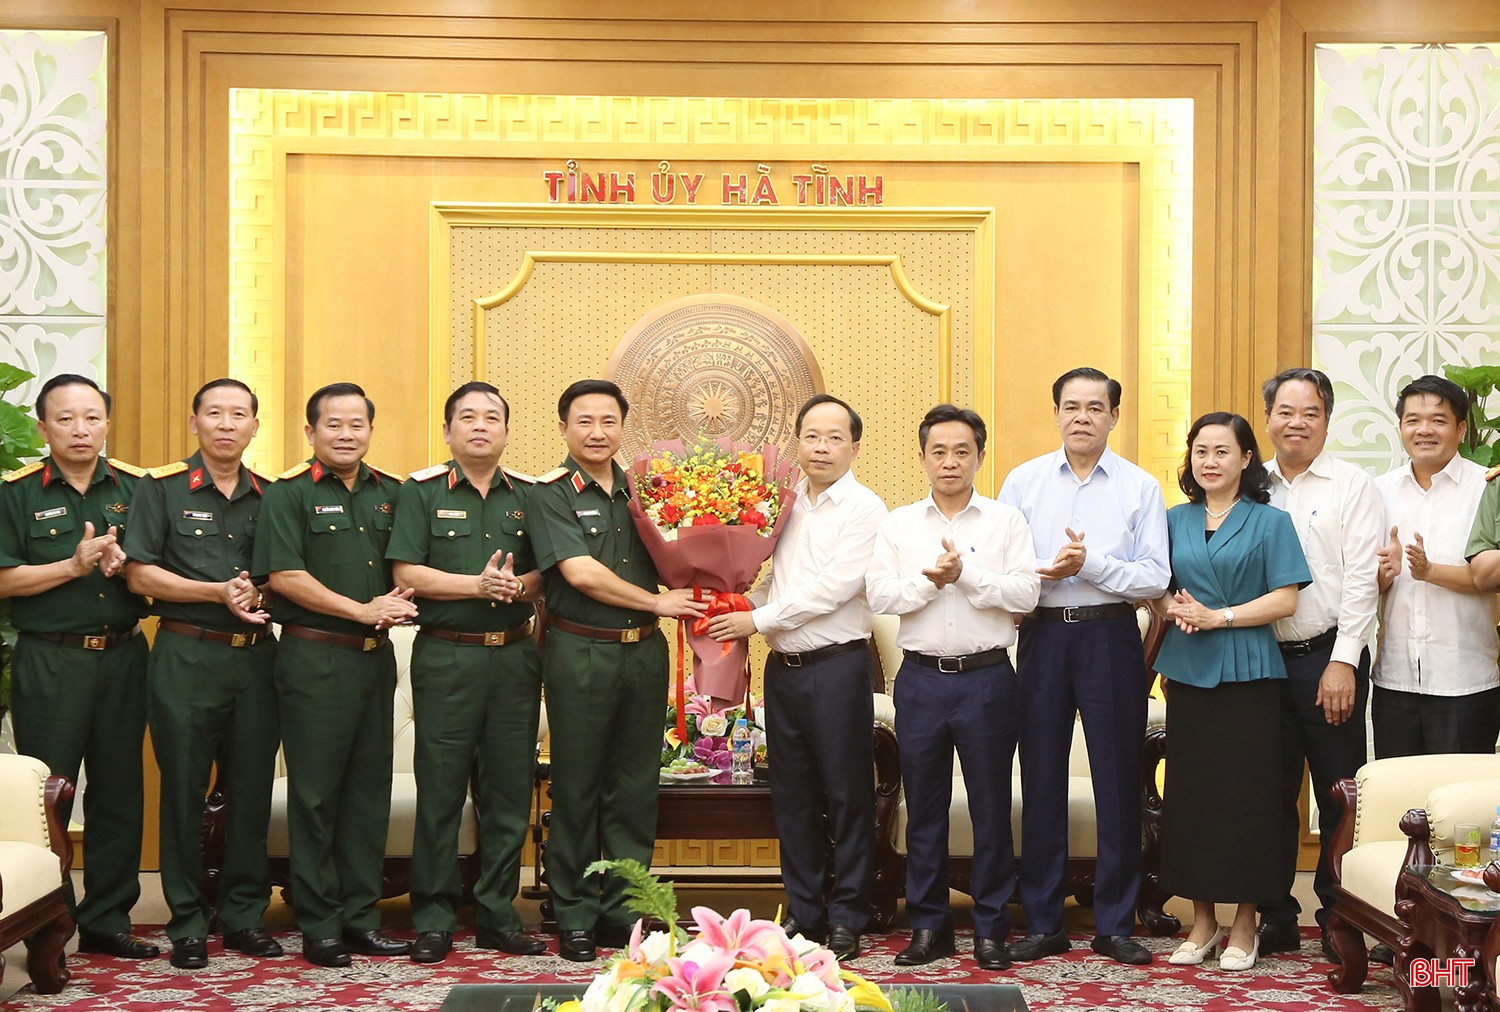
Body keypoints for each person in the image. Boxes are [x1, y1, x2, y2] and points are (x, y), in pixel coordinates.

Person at [527, 379, 705, 962]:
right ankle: (575, 912)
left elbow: (685, 556)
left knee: (634, 787)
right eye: (585, 421)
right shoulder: (550, 494)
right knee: (577, 784)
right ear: (563, 428)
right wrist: (657, 601)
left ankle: (625, 911)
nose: (598, 432)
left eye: (609, 421)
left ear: (623, 427)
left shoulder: (648, 491)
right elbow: (579, 573)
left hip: (643, 654)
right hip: (581, 651)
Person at [997, 367, 1170, 967]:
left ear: (1114, 417)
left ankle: (1115, 923)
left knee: (1117, 779)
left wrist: (1089, 563)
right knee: (1041, 775)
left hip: (1110, 637)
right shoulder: (1022, 482)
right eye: (1071, 406)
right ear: (1056, 414)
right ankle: (1044, 921)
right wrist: (1046, 572)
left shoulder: (1140, 487)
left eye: (1095, 408)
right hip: (1043, 636)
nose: (1082, 417)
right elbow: (1004, 566)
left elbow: (1154, 577)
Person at [708, 393, 888, 960]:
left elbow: (833, 588)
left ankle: (848, 915)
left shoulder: (865, 509)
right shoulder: (785, 505)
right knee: (793, 797)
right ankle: (806, 913)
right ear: (797, 443)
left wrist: (756, 619)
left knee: (847, 794)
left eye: (834, 437)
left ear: (854, 446)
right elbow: (778, 582)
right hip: (783, 671)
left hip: (838, 668)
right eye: (812, 436)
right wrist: (739, 601)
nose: (822, 447)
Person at [867, 404, 1039, 971]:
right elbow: (879, 595)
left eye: (962, 451)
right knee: (924, 810)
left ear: (979, 457)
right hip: (920, 680)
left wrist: (966, 575)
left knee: (991, 809)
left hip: (988, 678)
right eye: (938, 451)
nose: (949, 461)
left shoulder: (1006, 522)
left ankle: (991, 928)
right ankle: (928, 926)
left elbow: (1026, 595)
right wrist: (930, 583)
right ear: (922, 458)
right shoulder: (898, 525)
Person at [252, 381, 417, 967]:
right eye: (334, 424)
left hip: (375, 661)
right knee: (316, 796)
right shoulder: (287, 494)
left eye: (357, 424)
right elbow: (284, 577)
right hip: (314, 658)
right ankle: (320, 924)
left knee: (368, 796)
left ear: (370, 429)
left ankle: (361, 919)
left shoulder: (393, 493)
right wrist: (362, 610)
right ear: (311, 431)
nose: (347, 435)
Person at [122, 379, 281, 970]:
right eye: (214, 413)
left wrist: (258, 592)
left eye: (239, 414)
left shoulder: (271, 495)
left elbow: (283, 575)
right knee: (184, 791)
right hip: (187, 653)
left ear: (254, 427)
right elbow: (140, 574)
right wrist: (216, 592)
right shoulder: (160, 488)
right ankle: (187, 920)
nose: (226, 424)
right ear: (195, 423)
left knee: (251, 790)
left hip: (256, 657)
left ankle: (243, 915)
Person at [387, 381, 547, 964]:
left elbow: (548, 571)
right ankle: (434, 916)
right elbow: (406, 571)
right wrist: (476, 586)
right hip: (446, 655)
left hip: (514, 657)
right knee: (441, 790)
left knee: (507, 791)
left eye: (492, 418)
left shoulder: (530, 494)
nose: (480, 426)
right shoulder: (421, 491)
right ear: (448, 430)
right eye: (468, 417)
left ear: (506, 431)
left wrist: (517, 587)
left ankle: (497, 915)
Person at [0, 373, 155, 959]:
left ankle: (109, 920)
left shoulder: (139, 489)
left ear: (107, 423)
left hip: (123, 656)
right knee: (50, 797)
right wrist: (71, 566)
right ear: (43, 429)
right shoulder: (15, 493)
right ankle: (52, 921)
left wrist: (127, 568)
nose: (80, 429)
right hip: (51, 658)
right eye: (65, 419)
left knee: (119, 792)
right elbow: (3, 579)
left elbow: (159, 569)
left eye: (91, 417)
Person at [1152, 411, 1310, 972]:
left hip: (1250, 670)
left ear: (1246, 458)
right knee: (1192, 796)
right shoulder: (1172, 519)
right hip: (1188, 670)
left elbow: (1286, 599)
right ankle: (1202, 921)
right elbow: (1156, 587)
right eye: (1201, 451)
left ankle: (1245, 923)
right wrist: (1174, 608)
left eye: (1222, 451)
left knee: (1249, 798)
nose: (1210, 461)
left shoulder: (1271, 522)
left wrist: (1220, 616)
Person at [1254, 368, 1382, 963]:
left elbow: (1362, 580)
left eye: (1310, 413)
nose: (1296, 423)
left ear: (1327, 420)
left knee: (1338, 795)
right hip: (1260, 662)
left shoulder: (1352, 485)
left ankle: (1337, 916)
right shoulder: (1252, 484)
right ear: (1267, 418)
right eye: (1285, 411)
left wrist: (1343, 661)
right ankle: (1275, 915)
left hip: (1326, 658)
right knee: (1269, 793)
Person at [1372, 374, 1499, 756]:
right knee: (1397, 790)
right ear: (1400, 427)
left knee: (1460, 791)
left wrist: (1430, 571)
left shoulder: (1487, 488)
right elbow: (1363, 582)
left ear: (1461, 429)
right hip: (1395, 679)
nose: (1424, 430)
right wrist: (1383, 574)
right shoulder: (1377, 491)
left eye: (1438, 420)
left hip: (1465, 680)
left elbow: (1490, 578)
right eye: (1413, 420)